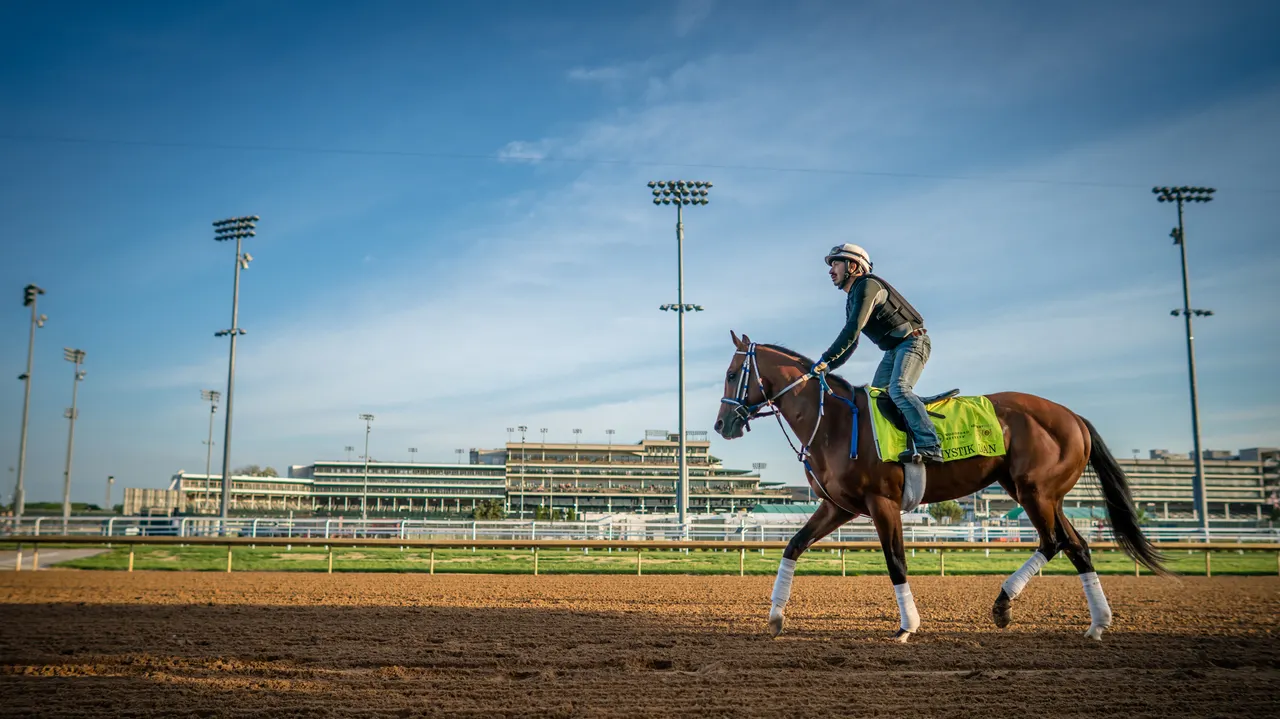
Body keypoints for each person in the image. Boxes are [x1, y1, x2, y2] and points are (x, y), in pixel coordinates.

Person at [810, 243, 942, 463]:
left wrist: (825, 359)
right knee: (876, 399)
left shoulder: (868, 285)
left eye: (836, 264)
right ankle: (901, 442)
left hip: (913, 343)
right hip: (893, 351)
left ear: (853, 266)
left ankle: (930, 444)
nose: (831, 271)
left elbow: (851, 332)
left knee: (898, 390)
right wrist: (829, 367)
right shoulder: (852, 298)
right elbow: (852, 344)